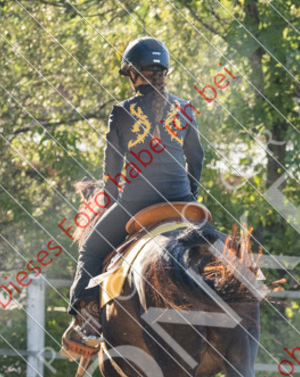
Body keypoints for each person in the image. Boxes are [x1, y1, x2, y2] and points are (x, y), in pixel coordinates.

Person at [63, 36, 204, 351]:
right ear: (162, 72)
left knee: (90, 250)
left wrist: (111, 205)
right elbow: (196, 159)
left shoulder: (122, 111)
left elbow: (111, 175)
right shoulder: (185, 108)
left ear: (133, 74)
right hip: (182, 201)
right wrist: (189, 196)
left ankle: (87, 321)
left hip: (137, 202)